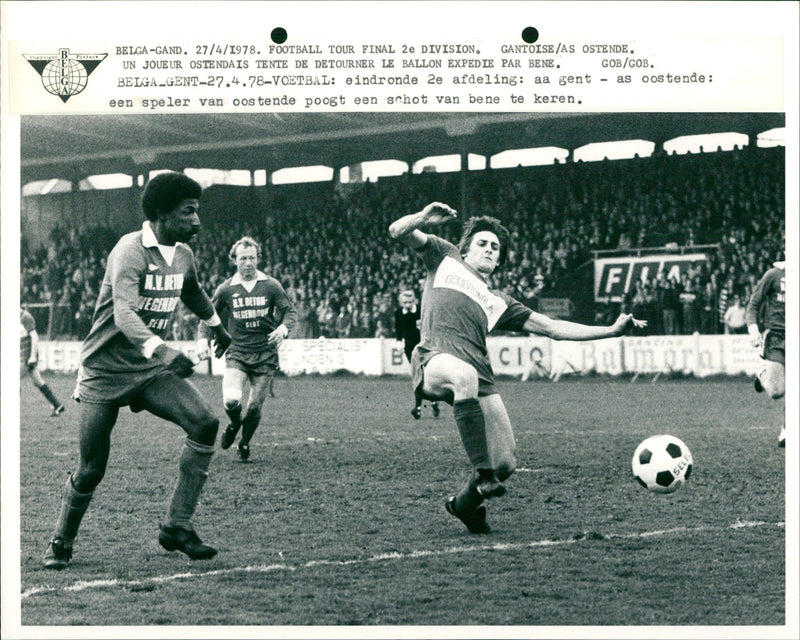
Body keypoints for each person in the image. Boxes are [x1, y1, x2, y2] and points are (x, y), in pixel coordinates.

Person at [389, 202, 645, 534]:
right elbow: (397, 231)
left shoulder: (500, 302)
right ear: (466, 250)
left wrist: (610, 330)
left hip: (479, 376)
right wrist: (423, 217)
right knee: (464, 380)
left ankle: (464, 506)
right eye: (482, 243)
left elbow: (553, 328)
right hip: (434, 358)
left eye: (495, 248)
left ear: (499, 261)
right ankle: (483, 475)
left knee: (506, 462)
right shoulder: (445, 257)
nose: (489, 249)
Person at [42, 172, 232, 570]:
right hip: (105, 371)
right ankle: (62, 539)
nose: (197, 221)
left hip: (148, 369)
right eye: (189, 212)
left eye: (197, 211)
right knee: (91, 469)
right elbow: (124, 311)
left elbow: (192, 290)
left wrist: (216, 326)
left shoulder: (182, 254)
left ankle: (176, 526)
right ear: (162, 214)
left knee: (204, 423)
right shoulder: (128, 251)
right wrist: (162, 350)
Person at [213, 236, 296, 461]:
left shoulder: (271, 285)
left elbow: (289, 311)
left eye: (251, 258)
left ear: (258, 259)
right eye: (243, 258)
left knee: (254, 409)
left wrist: (283, 329)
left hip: (265, 355)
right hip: (237, 352)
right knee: (231, 400)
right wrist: (207, 338)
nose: (248, 263)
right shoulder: (227, 288)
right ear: (234, 260)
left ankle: (245, 442)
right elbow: (208, 315)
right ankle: (233, 424)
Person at [746, 260, 785, 447]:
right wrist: (753, 329)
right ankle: (762, 372)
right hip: (777, 336)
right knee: (777, 391)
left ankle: (787, 428)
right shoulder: (773, 275)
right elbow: (753, 304)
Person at [394, 288, 439, 419]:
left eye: (410, 302)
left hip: (423, 346)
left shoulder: (420, 310)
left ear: (414, 301)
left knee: (424, 375)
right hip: (410, 348)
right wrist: (398, 341)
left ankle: (421, 406)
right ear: (401, 303)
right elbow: (398, 329)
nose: (407, 305)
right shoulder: (398, 313)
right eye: (405, 302)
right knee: (418, 375)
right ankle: (429, 403)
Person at [20, 307, 65, 416]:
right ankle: (57, 405)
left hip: (27, 356)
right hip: (22, 354)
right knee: (38, 381)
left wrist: (32, 357)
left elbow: (34, 337)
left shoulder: (25, 317)